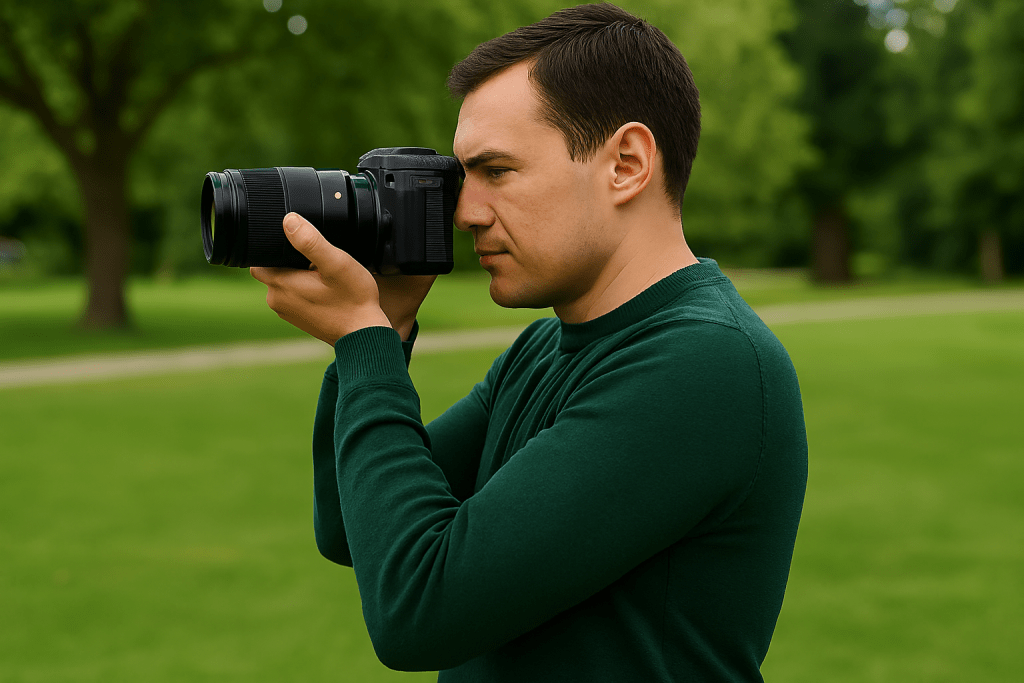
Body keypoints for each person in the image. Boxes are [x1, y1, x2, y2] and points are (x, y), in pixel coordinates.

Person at [251, 3, 808, 681]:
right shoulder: (542, 350)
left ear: (626, 163)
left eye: (497, 171)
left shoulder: (707, 363)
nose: (464, 212)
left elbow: (418, 611)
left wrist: (363, 340)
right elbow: (350, 527)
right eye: (463, 178)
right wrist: (384, 333)